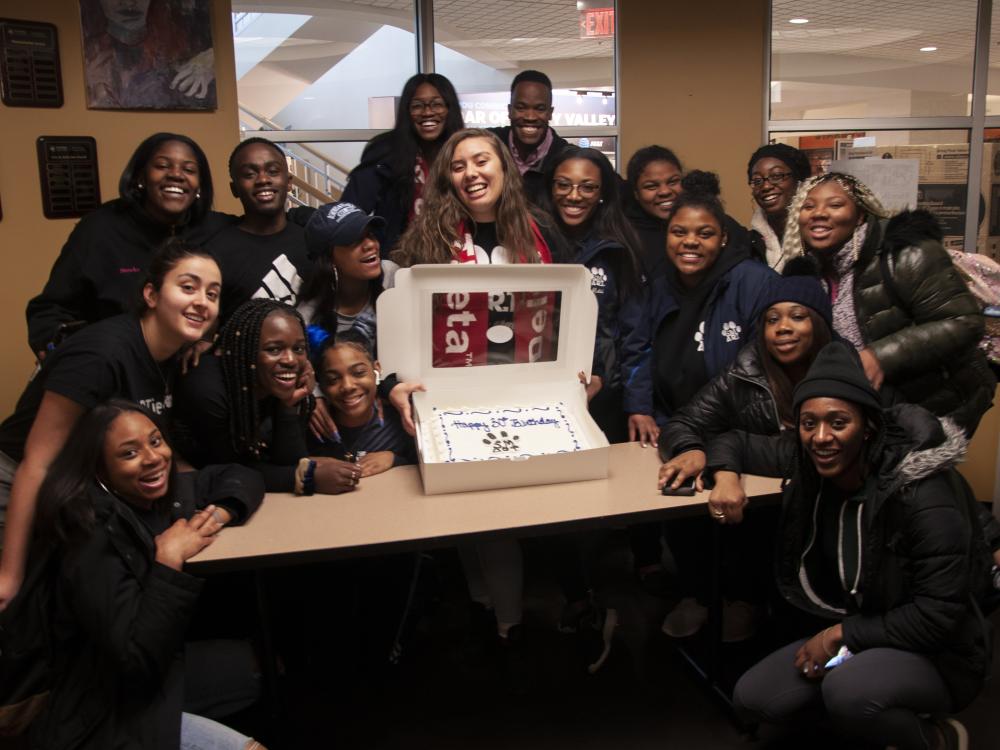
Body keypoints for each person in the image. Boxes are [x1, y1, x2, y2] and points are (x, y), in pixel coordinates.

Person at [709, 342, 992, 750]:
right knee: (753, 698)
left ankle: (936, 737)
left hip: (941, 654)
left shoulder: (921, 492)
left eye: (838, 422)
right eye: (809, 423)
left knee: (849, 693)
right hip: (864, 632)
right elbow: (733, 441)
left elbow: (938, 616)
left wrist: (841, 635)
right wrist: (724, 476)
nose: (821, 437)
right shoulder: (808, 458)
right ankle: (864, 713)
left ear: (868, 426)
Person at [30, 399, 266, 749]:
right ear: (98, 469)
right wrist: (168, 559)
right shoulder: (89, 533)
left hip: (155, 672)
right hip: (107, 709)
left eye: (156, 441)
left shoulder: (151, 496)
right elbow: (135, 660)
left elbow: (240, 474)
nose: (154, 458)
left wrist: (220, 513)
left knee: (258, 664)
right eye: (129, 454)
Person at [0, 239, 221, 610]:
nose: (202, 301)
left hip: (67, 490)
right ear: (151, 294)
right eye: (188, 287)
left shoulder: (171, 353)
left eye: (212, 293)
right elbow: (36, 464)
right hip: (14, 482)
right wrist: (9, 573)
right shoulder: (100, 354)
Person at [621, 171, 775, 594]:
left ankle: (743, 601)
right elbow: (637, 346)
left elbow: (759, 367)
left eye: (704, 233)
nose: (690, 242)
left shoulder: (752, 282)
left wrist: (707, 434)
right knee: (681, 516)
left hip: (739, 428)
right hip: (674, 422)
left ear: (723, 238)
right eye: (679, 232)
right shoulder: (656, 281)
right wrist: (642, 407)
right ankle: (696, 595)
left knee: (739, 523)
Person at [655, 274, 833, 639]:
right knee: (692, 510)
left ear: (818, 324)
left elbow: (811, 451)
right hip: (765, 504)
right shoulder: (747, 370)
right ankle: (716, 599)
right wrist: (690, 448)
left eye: (797, 317)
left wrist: (727, 461)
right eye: (772, 319)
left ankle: (753, 604)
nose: (783, 328)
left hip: (827, 508)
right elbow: (685, 420)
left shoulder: (842, 373)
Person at [781, 172, 996, 436]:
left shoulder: (906, 253)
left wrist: (879, 357)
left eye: (835, 205)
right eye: (808, 206)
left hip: (936, 401)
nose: (819, 213)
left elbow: (964, 322)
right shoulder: (810, 273)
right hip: (868, 408)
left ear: (861, 214)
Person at [26, 132, 231, 359]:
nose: (176, 175)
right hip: (111, 362)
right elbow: (49, 311)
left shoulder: (215, 229)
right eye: (162, 166)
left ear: (199, 185)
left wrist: (207, 340)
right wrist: (74, 356)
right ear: (141, 177)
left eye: (189, 170)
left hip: (184, 370)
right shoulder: (100, 228)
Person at [172, 299, 360, 495]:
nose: (290, 360)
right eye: (274, 349)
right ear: (244, 351)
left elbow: (289, 461)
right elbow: (228, 473)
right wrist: (306, 478)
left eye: (298, 349)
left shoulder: (277, 381)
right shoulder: (207, 390)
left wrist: (288, 405)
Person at [539, 145, 644, 441]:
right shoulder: (530, 242)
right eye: (563, 185)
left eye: (587, 187)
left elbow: (635, 335)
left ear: (602, 193)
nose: (573, 196)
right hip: (539, 392)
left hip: (604, 397)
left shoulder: (619, 249)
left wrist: (637, 404)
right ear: (550, 188)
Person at [393, 127, 563, 269]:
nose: (470, 173)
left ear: (504, 167)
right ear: (449, 180)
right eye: (458, 167)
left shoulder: (542, 228)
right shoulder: (429, 236)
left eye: (481, 162)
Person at [342, 73, 464, 257]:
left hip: (458, 258)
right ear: (407, 112)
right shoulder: (385, 152)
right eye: (417, 106)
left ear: (450, 109)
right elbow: (351, 208)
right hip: (399, 261)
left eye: (437, 104)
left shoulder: (464, 151)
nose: (428, 112)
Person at [209, 138, 313, 323]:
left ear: (289, 182)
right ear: (235, 189)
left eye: (273, 171)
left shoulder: (312, 241)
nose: (263, 180)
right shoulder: (216, 252)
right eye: (249, 174)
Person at [624, 145, 752, 280]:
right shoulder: (625, 235)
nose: (665, 191)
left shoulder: (717, 223)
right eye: (651, 186)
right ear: (636, 193)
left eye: (673, 182)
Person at [309, 330, 416, 472]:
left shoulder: (402, 418)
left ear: (376, 369)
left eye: (358, 373)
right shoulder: (313, 425)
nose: (347, 386)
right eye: (333, 379)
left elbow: (423, 468)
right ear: (321, 385)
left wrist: (394, 459)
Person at [298, 201, 393, 350]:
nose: (370, 245)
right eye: (354, 240)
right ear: (329, 259)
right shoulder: (308, 322)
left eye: (370, 234)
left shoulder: (394, 278)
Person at [488, 70, 569, 206]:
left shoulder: (566, 157)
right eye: (521, 108)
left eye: (539, 109)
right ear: (509, 111)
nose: (530, 117)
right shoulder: (488, 144)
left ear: (550, 113)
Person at [746, 143, 812, 270]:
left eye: (776, 176)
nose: (766, 186)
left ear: (799, 180)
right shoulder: (748, 244)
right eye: (757, 181)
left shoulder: (818, 234)